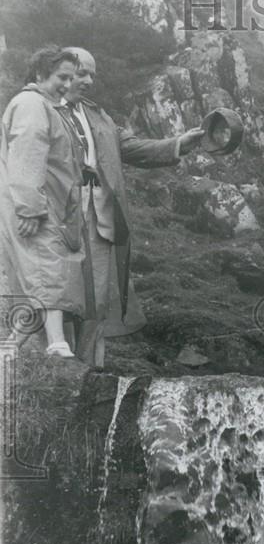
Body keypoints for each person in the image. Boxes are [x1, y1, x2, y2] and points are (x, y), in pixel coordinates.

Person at [60, 47, 204, 367]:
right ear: (62, 70)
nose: (88, 80)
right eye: (81, 72)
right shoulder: (39, 109)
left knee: (96, 297)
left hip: (99, 215)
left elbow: (130, 146)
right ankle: (57, 366)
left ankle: (90, 368)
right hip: (59, 217)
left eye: (92, 74)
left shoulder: (98, 114)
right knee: (60, 292)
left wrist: (178, 143)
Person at [0, 46, 86, 357]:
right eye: (61, 77)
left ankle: (10, 347)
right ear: (39, 75)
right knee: (47, 271)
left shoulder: (48, 107)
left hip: (50, 205)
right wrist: (29, 209)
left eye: (70, 78)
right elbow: (27, 156)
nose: (66, 84)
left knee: (41, 278)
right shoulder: (31, 104)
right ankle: (56, 344)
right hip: (36, 206)